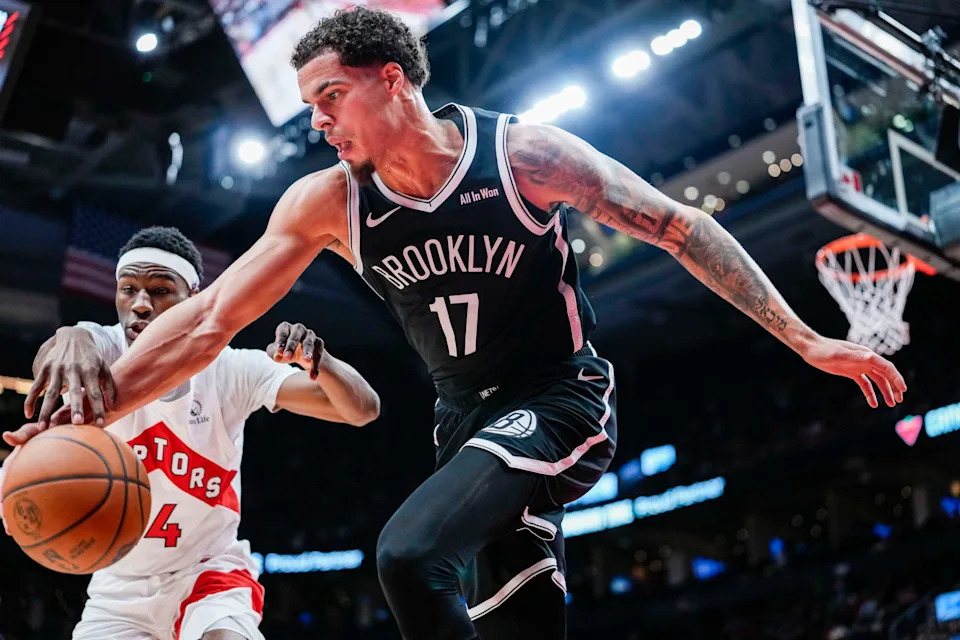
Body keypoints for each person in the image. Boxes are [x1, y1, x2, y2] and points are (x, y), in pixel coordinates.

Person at [6, 8, 908, 639]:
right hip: (463, 424)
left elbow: (681, 225)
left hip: (559, 396)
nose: (315, 120)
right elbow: (207, 321)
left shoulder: (524, 155)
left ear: (390, 80)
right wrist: (93, 409)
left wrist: (806, 338)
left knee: (405, 555)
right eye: (310, 104)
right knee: (516, 617)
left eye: (328, 97)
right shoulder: (329, 202)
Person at [1, 226, 380, 640]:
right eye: (128, 289)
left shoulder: (232, 369)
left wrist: (317, 360)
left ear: (194, 298)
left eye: (161, 290)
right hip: (119, 591)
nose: (140, 305)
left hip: (208, 573)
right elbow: (60, 353)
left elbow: (362, 409)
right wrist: (67, 336)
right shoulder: (102, 348)